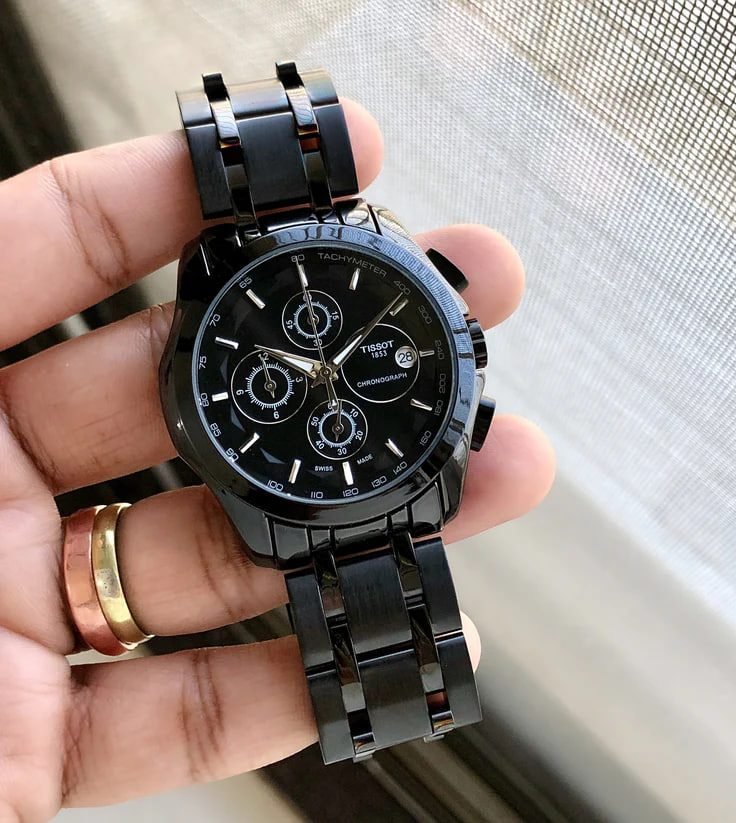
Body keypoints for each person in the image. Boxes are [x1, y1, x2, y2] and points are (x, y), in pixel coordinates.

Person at [0, 99, 555, 819]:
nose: (324, 373)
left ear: (462, 346)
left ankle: (393, 705)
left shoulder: (382, 269)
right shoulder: (212, 334)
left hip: (379, 479)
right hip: (318, 495)